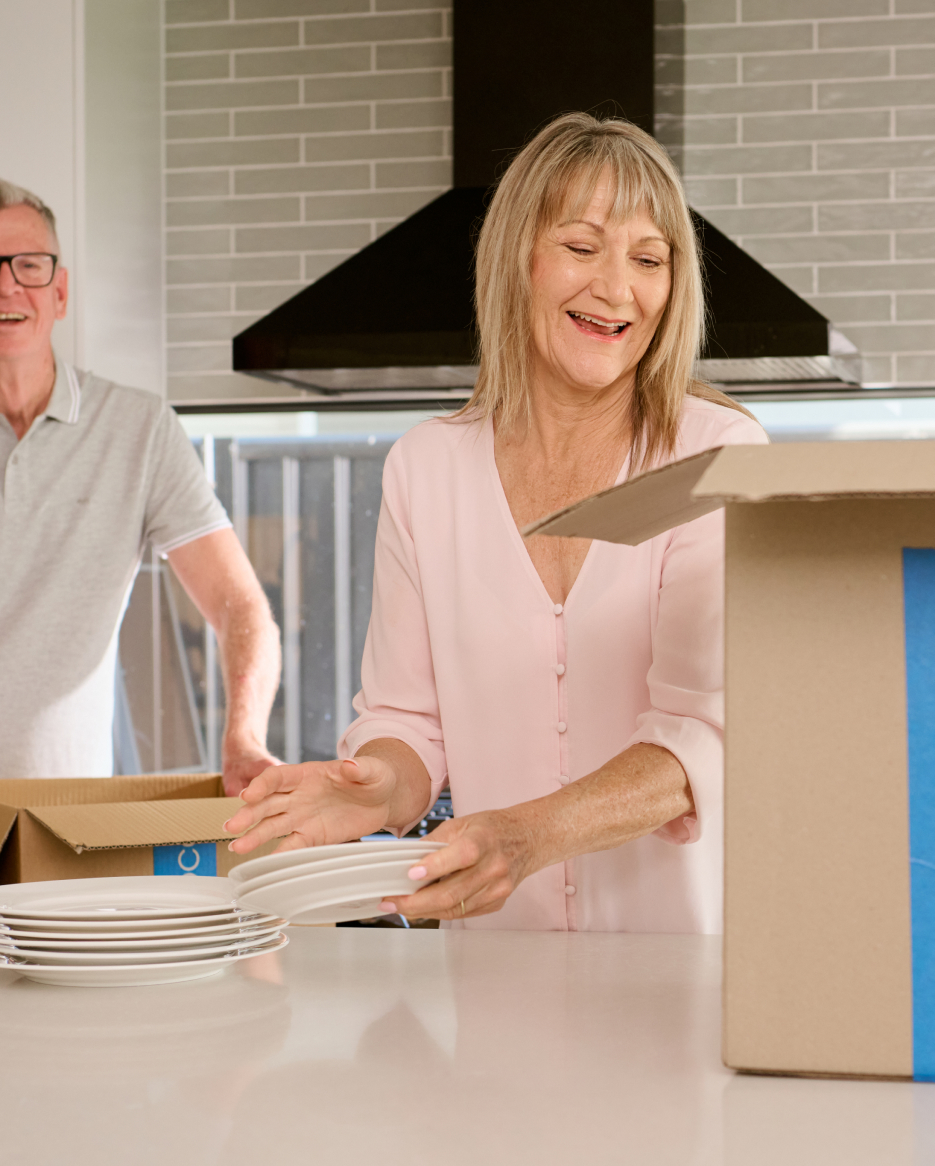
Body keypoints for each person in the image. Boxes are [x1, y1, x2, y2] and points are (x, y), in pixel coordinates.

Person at [225, 114, 767, 933]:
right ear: (518, 259)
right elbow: (408, 721)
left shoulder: (715, 453)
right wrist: (374, 781)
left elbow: (706, 735)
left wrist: (527, 835)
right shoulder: (426, 467)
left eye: (649, 259)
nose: (617, 288)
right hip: (494, 967)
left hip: (683, 960)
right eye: (582, 248)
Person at [0, 177, 281, 864]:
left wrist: (244, 739)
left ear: (59, 292)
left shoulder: (138, 429)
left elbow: (241, 608)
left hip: (71, 825)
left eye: (28, 265)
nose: (4, 287)